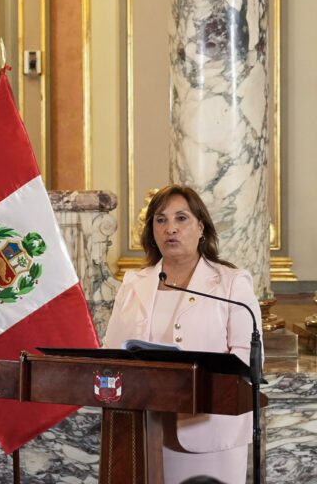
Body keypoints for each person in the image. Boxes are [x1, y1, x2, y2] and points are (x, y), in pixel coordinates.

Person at [103, 185, 262, 484]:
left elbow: (244, 358)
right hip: (144, 428)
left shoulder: (231, 283)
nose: (170, 229)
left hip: (208, 429)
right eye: (160, 220)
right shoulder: (134, 282)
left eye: (181, 219)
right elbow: (112, 350)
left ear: (201, 227)